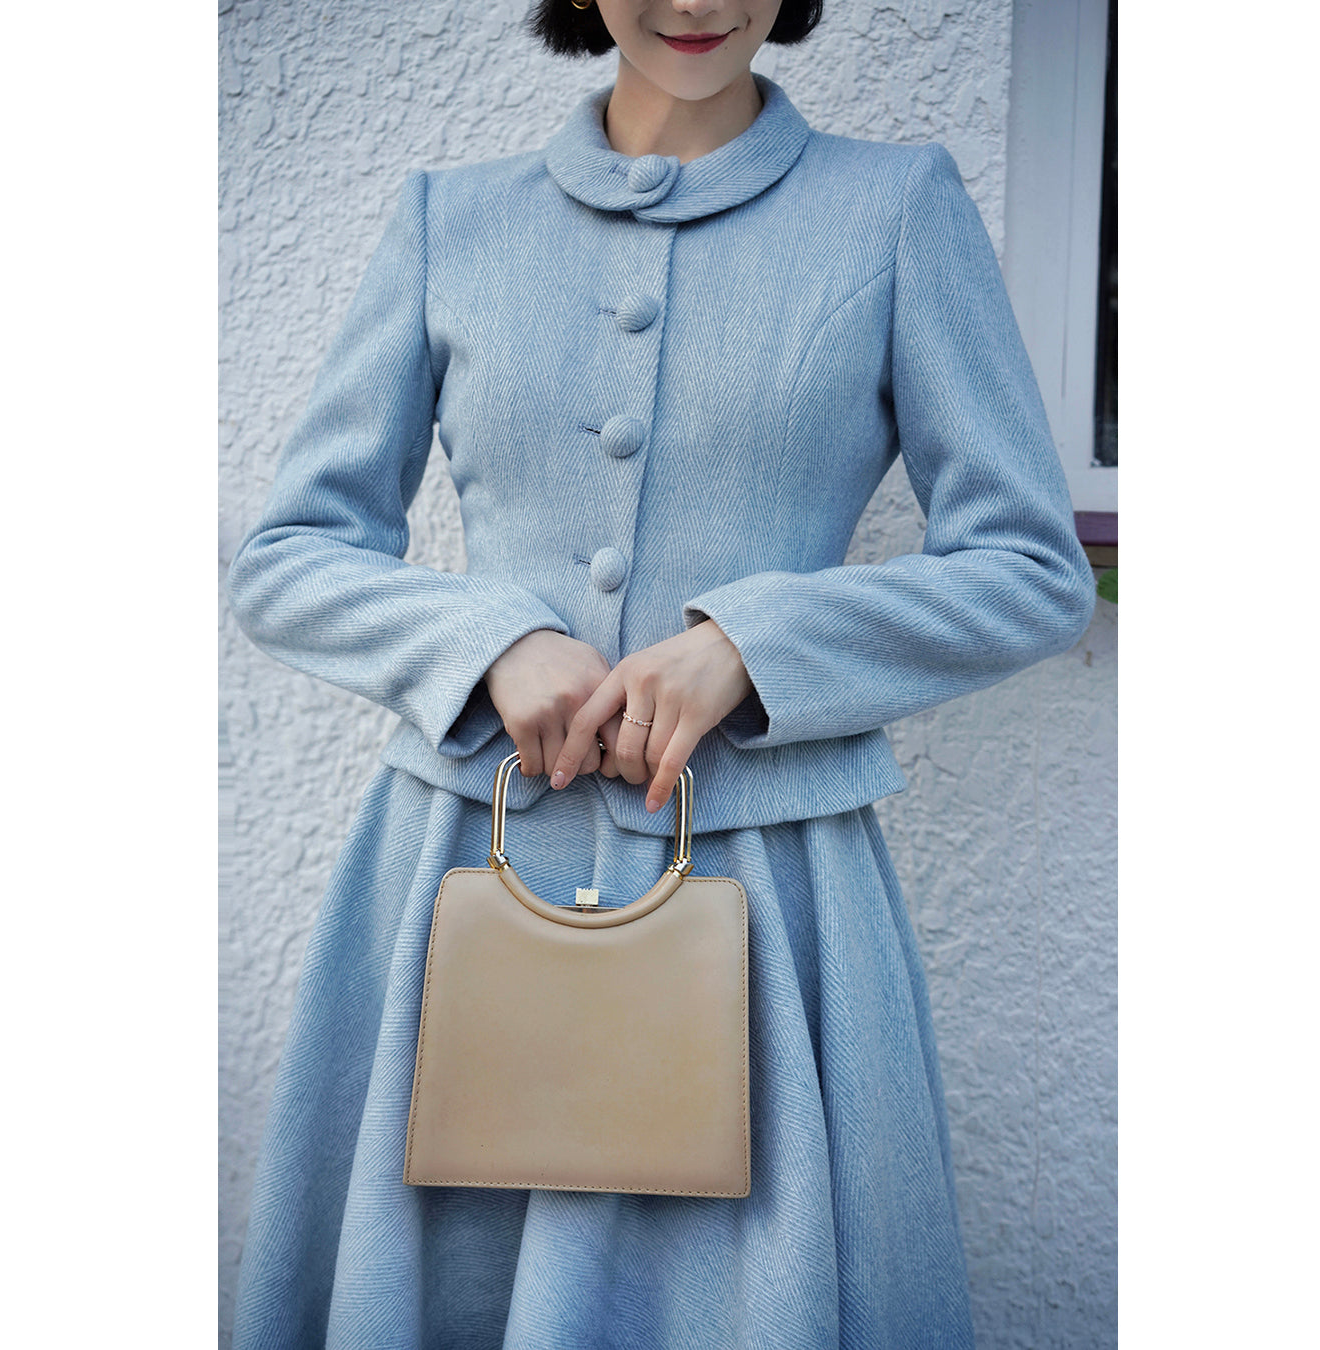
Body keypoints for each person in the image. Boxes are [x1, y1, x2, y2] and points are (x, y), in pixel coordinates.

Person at [226, 0, 1096, 1345]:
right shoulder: (449, 222)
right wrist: (484, 640)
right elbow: (288, 555)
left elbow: (1028, 567)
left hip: (772, 891)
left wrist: (754, 645)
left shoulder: (894, 209)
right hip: (463, 865)